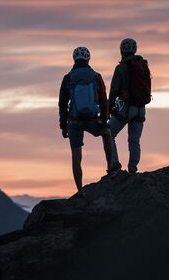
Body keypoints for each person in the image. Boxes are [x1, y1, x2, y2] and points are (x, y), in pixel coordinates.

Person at [59, 46, 118, 199]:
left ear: (74, 59)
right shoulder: (95, 76)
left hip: (74, 121)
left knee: (76, 156)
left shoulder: (68, 78)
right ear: (88, 59)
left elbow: (62, 104)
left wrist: (64, 126)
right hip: (92, 119)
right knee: (107, 134)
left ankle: (80, 191)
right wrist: (104, 120)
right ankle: (111, 168)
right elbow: (103, 100)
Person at [108, 38, 152, 174]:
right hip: (140, 109)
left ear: (121, 50)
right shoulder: (143, 66)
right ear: (135, 49)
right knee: (134, 140)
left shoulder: (121, 68)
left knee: (109, 133)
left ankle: (115, 166)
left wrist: (109, 109)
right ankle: (133, 169)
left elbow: (114, 90)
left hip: (125, 108)